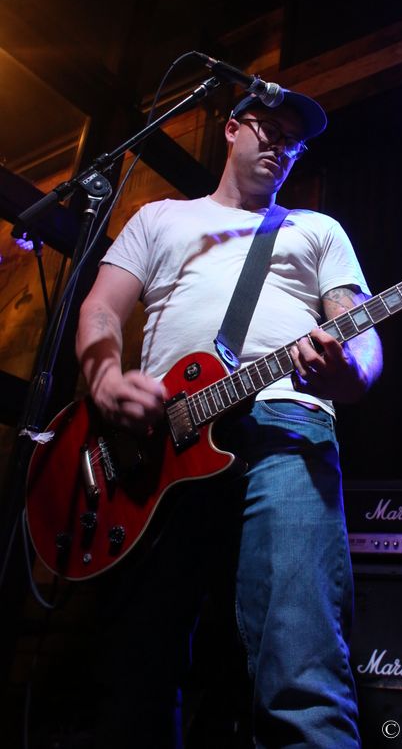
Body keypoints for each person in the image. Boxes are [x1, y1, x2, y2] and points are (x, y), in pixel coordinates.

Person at [75, 87, 383, 748]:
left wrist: (351, 372)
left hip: (288, 424)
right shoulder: (159, 218)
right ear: (232, 128)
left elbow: (360, 329)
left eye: (292, 142)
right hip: (158, 447)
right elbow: (100, 308)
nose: (281, 146)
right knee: (137, 666)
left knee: (299, 655)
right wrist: (104, 380)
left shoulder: (316, 229)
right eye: (269, 128)